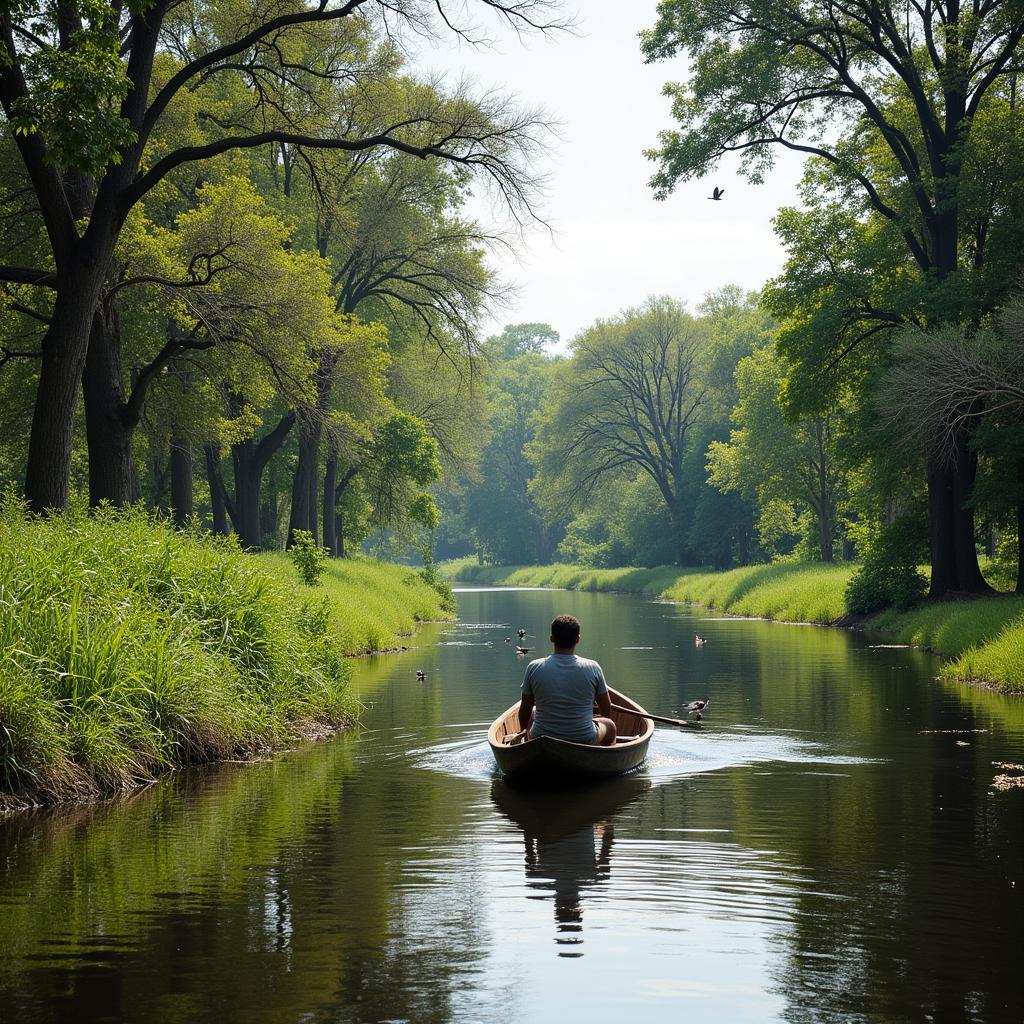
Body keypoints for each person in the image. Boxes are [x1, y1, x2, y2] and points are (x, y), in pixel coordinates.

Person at [513, 614, 617, 746]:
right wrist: (594, 720)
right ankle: (601, 758)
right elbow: (606, 707)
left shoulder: (534, 667)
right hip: (584, 738)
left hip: (541, 737)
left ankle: (527, 743)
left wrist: (523, 731)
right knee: (610, 725)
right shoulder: (593, 668)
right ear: (578, 639)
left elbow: (525, 708)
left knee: (533, 711)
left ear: (551, 638)